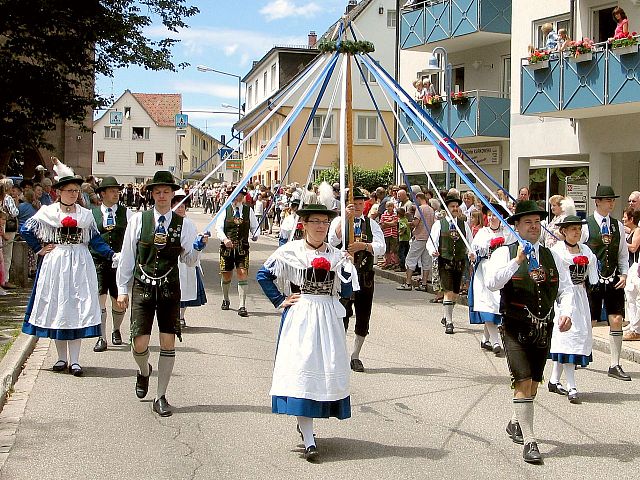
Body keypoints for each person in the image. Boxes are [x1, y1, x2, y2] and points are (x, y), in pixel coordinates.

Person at [256, 204, 358, 461]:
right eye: (315, 221)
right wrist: (280, 300)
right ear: (304, 224)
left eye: (325, 222)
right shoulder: (290, 252)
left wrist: (347, 270)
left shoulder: (337, 256)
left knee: (323, 371)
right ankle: (310, 438)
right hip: (301, 316)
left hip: (327, 318)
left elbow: (346, 294)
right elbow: (263, 275)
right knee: (302, 371)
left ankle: (308, 427)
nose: (321, 226)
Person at [485, 200, 574, 464]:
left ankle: (516, 422)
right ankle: (530, 441)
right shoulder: (504, 253)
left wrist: (566, 311)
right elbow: (492, 283)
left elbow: (566, 288)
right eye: (528, 223)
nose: (534, 227)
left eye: (537, 222)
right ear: (516, 227)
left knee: (534, 383)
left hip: (543, 326)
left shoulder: (552, 255)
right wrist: (516, 262)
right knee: (522, 381)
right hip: (514, 325)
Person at [116, 171, 206, 417]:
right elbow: (127, 257)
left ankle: (161, 395)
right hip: (143, 287)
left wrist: (197, 249)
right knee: (139, 343)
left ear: (172, 194)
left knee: (168, 341)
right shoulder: (139, 220)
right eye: (158, 192)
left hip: (169, 289)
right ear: (152, 194)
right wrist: (122, 290)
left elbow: (187, 260)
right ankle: (144, 371)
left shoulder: (184, 225)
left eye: (167, 191)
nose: (163, 196)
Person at [21, 165, 115, 376]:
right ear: (59, 192)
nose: (73, 194)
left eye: (76, 191)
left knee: (77, 307)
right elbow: (26, 228)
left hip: (80, 263)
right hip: (56, 263)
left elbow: (96, 240)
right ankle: (61, 358)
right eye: (69, 190)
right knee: (58, 306)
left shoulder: (85, 215)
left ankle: (75, 360)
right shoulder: (49, 212)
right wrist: (39, 248)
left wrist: (111, 254)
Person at [328, 187, 385, 372]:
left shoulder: (371, 224)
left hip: (365, 275)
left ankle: (355, 355)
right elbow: (332, 240)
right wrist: (345, 218)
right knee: (341, 313)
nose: (359, 207)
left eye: (361, 204)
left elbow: (381, 247)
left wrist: (365, 246)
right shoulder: (339, 220)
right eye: (355, 204)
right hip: (344, 274)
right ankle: (339, 353)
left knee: (363, 315)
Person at [581, 185, 630, 381]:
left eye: (613, 200)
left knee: (616, 319)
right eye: (607, 200)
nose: (611, 203)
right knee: (590, 321)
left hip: (613, 278)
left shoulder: (617, 226)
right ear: (597, 202)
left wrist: (624, 274)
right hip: (592, 280)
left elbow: (623, 254)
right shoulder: (586, 225)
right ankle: (581, 354)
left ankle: (615, 363)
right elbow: (579, 251)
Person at [548, 216, 597, 404]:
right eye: (572, 229)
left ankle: (553, 379)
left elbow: (592, 273)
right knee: (567, 337)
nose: (576, 232)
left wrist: (590, 279)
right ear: (564, 232)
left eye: (578, 229)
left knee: (576, 337)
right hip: (564, 297)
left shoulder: (585, 250)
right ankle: (572, 385)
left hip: (580, 297)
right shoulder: (557, 251)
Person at [90, 176, 133, 352]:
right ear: (103, 193)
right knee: (99, 299)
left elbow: (132, 237)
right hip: (98, 261)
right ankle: (102, 337)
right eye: (112, 191)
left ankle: (116, 329)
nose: (116, 194)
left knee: (118, 300)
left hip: (119, 263)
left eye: (117, 191)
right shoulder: (92, 214)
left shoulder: (126, 213)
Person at [469, 202, 513, 354]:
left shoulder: (507, 233)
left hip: (502, 271)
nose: (493, 218)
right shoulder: (483, 233)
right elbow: (475, 250)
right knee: (488, 305)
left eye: (495, 215)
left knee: (497, 305)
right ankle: (495, 341)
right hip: (486, 271)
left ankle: (485, 339)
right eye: (490, 215)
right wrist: (474, 254)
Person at [427, 196, 472, 334]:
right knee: (448, 291)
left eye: (456, 206)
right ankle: (450, 323)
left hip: (459, 262)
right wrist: (433, 250)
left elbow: (470, 242)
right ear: (446, 209)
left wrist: (471, 252)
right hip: (445, 261)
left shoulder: (464, 224)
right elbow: (431, 242)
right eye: (452, 206)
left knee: (456, 293)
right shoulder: (439, 224)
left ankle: (446, 316)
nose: (455, 208)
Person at [215, 186, 258, 317]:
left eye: (239, 196)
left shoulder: (248, 210)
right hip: (227, 248)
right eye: (234, 195)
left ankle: (242, 305)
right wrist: (224, 239)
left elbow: (255, 226)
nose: (237, 198)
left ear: (243, 197)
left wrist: (256, 234)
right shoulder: (225, 210)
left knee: (242, 272)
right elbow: (219, 228)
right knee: (226, 274)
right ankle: (226, 298)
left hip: (242, 248)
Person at [173, 190, 209, 329]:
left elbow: (194, 241)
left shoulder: (189, 223)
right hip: (174, 262)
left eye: (182, 206)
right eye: (177, 205)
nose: (181, 208)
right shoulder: (169, 222)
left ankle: (181, 316)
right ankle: (173, 316)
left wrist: (200, 241)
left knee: (186, 290)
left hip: (188, 263)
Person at [397, 192, 435, 291]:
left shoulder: (420, 209)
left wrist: (408, 224)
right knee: (426, 261)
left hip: (419, 237)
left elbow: (416, 223)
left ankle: (408, 283)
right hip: (428, 237)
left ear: (418, 198)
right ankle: (424, 283)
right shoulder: (431, 209)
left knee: (410, 259)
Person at [623, 208, 640, 341]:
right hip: (631, 267)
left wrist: (623, 243)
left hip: (636, 266)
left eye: (625, 217)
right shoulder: (632, 230)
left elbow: (634, 247)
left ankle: (637, 328)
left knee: (636, 298)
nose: (623, 219)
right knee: (630, 298)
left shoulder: (638, 231)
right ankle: (633, 324)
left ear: (631, 219)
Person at [379, 201, 399, 270]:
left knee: (394, 249)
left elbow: (394, 223)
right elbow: (382, 224)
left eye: (391, 206)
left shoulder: (395, 215)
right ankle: (388, 262)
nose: (390, 208)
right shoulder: (383, 215)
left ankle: (395, 262)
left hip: (393, 234)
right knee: (387, 249)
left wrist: (386, 223)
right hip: (386, 234)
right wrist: (389, 222)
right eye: (388, 206)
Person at [397, 207, 411, 271]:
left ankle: (402, 266)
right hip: (407, 238)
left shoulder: (401, 220)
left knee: (401, 253)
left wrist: (400, 232)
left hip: (402, 239)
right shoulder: (406, 219)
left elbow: (404, 226)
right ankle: (406, 265)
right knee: (406, 253)